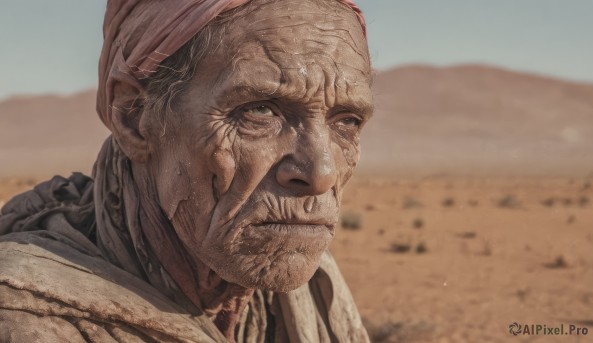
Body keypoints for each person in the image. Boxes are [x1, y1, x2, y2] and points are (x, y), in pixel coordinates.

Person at [0, 0, 374, 341]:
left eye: (347, 121)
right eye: (260, 111)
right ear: (133, 117)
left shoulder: (316, 287)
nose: (322, 173)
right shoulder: (24, 321)